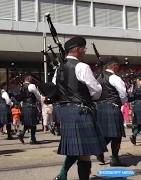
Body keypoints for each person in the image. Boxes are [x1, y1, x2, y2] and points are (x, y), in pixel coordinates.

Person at [52, 36, 107, 180]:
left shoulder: (58, 69)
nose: (84, 52)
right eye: (83, 49)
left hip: (66, 112)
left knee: (77, 147)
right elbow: (95, 91)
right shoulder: (82, 66)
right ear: (77, 49)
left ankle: (63, 175)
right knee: (85, 151)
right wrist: (97, 90)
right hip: (81, 111)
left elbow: (55, 89)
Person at [96, 57, 128, 166]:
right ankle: (114, 158)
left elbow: (94, 94)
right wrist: (123, 102)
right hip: (112, 107)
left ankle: (100, 150)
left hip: (100, 108)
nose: (118, 68)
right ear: (113, 65)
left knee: (106, 133)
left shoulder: (98, 78)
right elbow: (123, 94)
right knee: (116, 135)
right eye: (118, 66)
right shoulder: (114, 78)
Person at [18, 75, 43, 144]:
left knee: (28, 122)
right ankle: (32, 139)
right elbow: (37, 95)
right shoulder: (31, 86)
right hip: (31, 105)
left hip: (25, 106)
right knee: (33, 123)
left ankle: (23, 134)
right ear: (30, 79)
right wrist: (42, 101)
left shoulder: (22, 87)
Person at [129, 73, 141, 145]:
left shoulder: (134, 86)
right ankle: (133, 135)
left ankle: (134, 136)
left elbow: (132, 96)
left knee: (138, 124)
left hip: (136, 106)